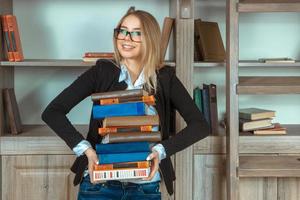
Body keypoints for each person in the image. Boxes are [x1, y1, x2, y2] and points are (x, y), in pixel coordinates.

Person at [42, 7, 209, 200]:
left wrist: (161, 150)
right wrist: (86, 150)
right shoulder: (102, 71)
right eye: (122, 30)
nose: (126, 38)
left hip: (145, 187)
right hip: (99, 185)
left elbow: (200, 126)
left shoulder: (165, 77)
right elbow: (52, 112)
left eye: (136, 33)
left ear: (150, 39)